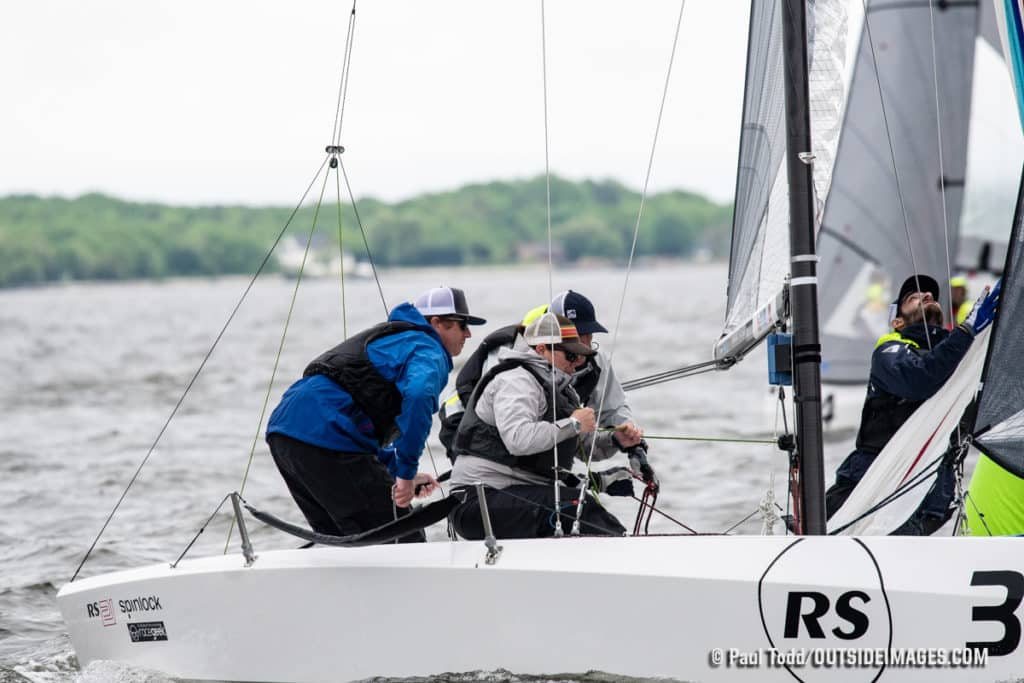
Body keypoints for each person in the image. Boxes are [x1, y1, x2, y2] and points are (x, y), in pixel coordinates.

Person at [265, 286, 485, 540]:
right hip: (326, 436)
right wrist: (404, 474)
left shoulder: (394, 340)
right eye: (462, 325)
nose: (468, 334)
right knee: (404, 538)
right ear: (437, 323)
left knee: (345, 543)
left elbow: (355, 420)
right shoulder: (427, 348)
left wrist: (401, 472)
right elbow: (418, 396)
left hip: (285, 433)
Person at [825, 274, 1000, 535]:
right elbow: (918, 380)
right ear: (897, 321)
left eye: (931, 296)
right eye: (913, 297)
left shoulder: (963, 361)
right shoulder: (889, 351)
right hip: (873, 489)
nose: (927, 296)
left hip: (930, 497)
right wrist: (966, 331)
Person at [448, 312, 643, 539]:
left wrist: (615, 441)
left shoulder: (559, 387)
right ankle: (623, 555)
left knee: (575, 502)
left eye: (580, 357)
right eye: (570, 356)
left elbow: (580, 446)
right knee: (577, 506)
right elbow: (518, 440)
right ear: (541, 350)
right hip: (479, 501)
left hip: (517, 495)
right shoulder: (516, 380)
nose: (576, 364)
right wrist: (573, 423)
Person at [438, 289, 657, 485]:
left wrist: (628, 444)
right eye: (576, 339)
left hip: (533, 451)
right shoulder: (515, 367)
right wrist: (573, 424)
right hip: (472, 435)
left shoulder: (593, 361)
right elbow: (517, 437)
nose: (585, 346)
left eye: (589, 336)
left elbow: (612, 410)